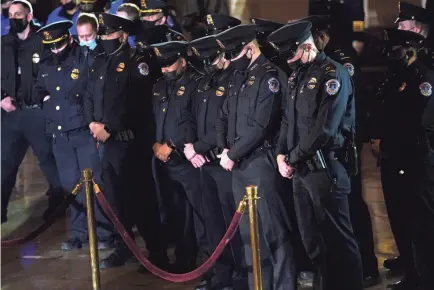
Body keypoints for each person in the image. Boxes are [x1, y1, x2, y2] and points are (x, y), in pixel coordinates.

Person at [269, 21, 363, 290]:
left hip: (326, 169)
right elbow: (288, 120)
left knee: (339, 241)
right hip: (301, 170)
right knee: (313, 241)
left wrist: (292, 157)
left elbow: (325, 127)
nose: (289, 61)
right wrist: (280, 155)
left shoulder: (333, 74)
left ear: (307, 46)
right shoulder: (297, 75)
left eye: (292, 54)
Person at [297, 14, 380, 288]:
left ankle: (366, 269)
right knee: (331, 226)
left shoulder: (339, 62)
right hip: (330, 150)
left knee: (351, 211)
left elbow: (352, 106)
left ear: (321, 36)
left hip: (342, 149)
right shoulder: (315, 64)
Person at [215, 24, 296, 290]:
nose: (230, 62)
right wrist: (223, 148)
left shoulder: (269, 76)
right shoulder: (239, 76)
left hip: (261, 163)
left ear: (249, 49)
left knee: (274, 232)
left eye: (234, 55)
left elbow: (261, 126)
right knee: (250, 236)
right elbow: (224, 114)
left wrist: (233, 153)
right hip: (238, 164)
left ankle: (283, 286)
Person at [84, 12, 168, 270]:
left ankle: (157, 254)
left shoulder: (137, 61)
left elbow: (138, 102)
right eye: (102, 34)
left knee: (141, 200)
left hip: (131, 143)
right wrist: (93, 123)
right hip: (106, 144)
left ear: (122, 35)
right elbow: (89, 95)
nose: (104, 38)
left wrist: (110, 126)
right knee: (115, 202)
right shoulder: (99, 60)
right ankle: (124, 247)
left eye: (108, 34)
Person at [151, 40, 226, 286]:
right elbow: (156, 118)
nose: (165, 70)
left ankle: (212, 270)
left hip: (188, 160)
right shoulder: (160, 85)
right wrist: (156, 145)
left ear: (182, 60)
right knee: (176, 215)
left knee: (203, 219)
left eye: (169, 64)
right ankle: (185, 262)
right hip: (164, 160)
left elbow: (192, 122)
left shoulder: (196, 83)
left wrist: (172, 144)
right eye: (161, 66)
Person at [34, 20, 111, 250]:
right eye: (51, 47)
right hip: (60, 134)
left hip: (83, 131)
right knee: (70, 185)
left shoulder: (85, 58)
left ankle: (104, 232)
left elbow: (96, 90)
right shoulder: (46, 63)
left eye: (58, 45)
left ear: (68, 39)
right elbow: (38, 89)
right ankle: (79, 234)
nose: (55, 50)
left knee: (95, 184)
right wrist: (45, 102)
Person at [370, 1, 431, 278]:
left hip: (414, 158)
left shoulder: (422, 74)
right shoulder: (399, 74)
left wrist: (389, 144)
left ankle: (421, 274)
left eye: (401, 26)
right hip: (395, 155)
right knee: (399, 215)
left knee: (419, 222)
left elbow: (418, 124)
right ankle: (410, 265)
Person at [185, 33, 246, 290]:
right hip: (202, 163)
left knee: (232, 222)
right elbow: (190, 116)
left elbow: (225, 125)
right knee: (212, 223)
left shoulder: (233, 80)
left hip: (222, 162)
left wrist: (198, 146)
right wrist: (190, 147)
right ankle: (220, 273)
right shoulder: (202, 82)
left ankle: (241, 275)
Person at [1, 0, 63, 224]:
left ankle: (58, 209)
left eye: (18, 14)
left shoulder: (42, 41)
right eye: (10, 14)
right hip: (10, 115)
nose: (13, 18)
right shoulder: (4, 44)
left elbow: (52, 72)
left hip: (37, 113)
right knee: (4, 164)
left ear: (29, 16)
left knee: (49, 162)